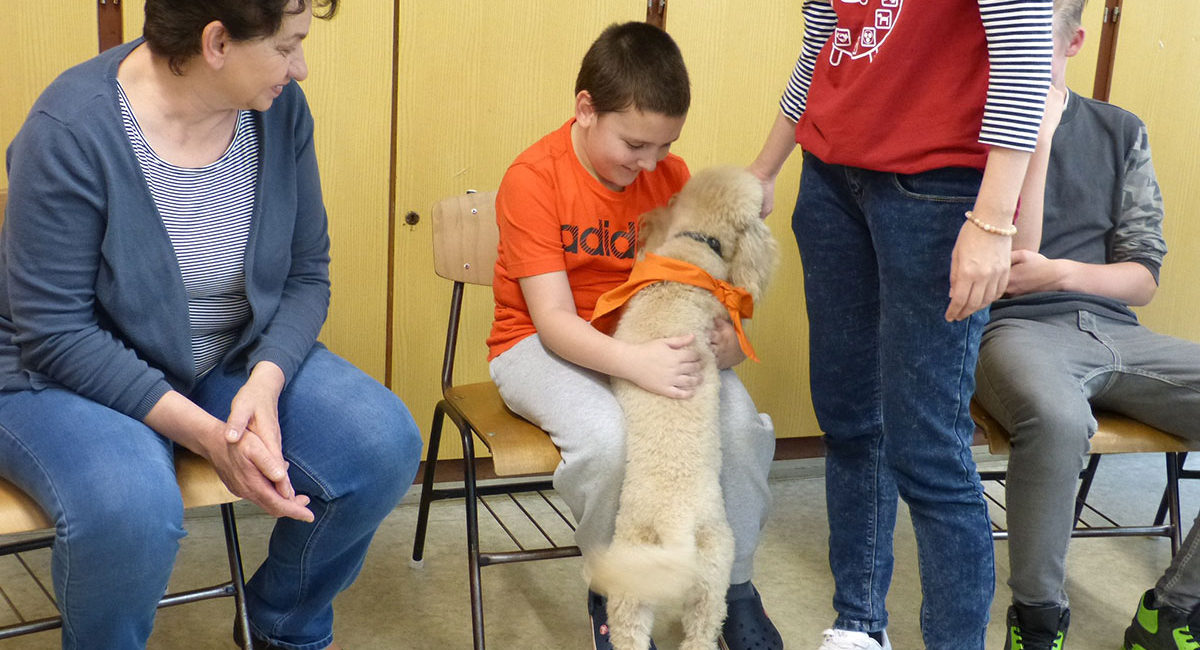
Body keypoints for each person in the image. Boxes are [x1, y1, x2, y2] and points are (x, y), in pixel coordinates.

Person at [0, 1, 422, 648]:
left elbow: (307, 274)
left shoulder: (277, 112)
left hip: (223, 354)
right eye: (285, 48)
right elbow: (56, 331)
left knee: (382, 444)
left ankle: (282, 625)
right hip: (59, 371)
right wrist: (205, 433)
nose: (300, 68)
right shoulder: (71, 129)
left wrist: (264, 383)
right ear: (217, 42)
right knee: (131, 508)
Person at [747, 1, 1056, 649]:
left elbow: (1026, 52)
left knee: (928, 449)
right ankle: (859, 624)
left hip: (938, 186)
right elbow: (824, 38)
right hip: (831, 175)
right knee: (851, 421)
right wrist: (765, 167)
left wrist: (994, 219)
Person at [486, 21, 781, 650]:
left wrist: (728, 336)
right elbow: (554, 322)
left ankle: (733, 583)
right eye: (635, 145)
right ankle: (614, 582)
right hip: (540, 346)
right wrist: (636, 363)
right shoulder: (533, 179)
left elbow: (714, 279)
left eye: (665, 145)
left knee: (741, 431)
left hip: (652, 346)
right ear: (586, 109)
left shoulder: (672, 176)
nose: (651, 164)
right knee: (607, 441)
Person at [971, 1, 1200, 648]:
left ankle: (1173, 610)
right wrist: (1033, 138)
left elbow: (1143, 277)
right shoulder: (968, 126)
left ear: (1072, 44)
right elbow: (1010, 269)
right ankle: (1039, 619)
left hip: (1115, 328)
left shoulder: (1120, 130)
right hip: (1011, 329)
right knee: (1060, 418)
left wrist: (1064, 275)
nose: (1009, 59)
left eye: (1029, 45)